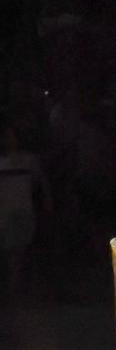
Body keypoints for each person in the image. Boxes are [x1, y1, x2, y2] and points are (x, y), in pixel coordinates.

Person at [0, 121, 48, 297]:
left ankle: (16, 287)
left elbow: (40, 183)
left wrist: (46, 200)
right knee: (9, 249)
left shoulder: (29, 161)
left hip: (23, 208)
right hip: (4, 210)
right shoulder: (1, 162)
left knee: (19, 249)